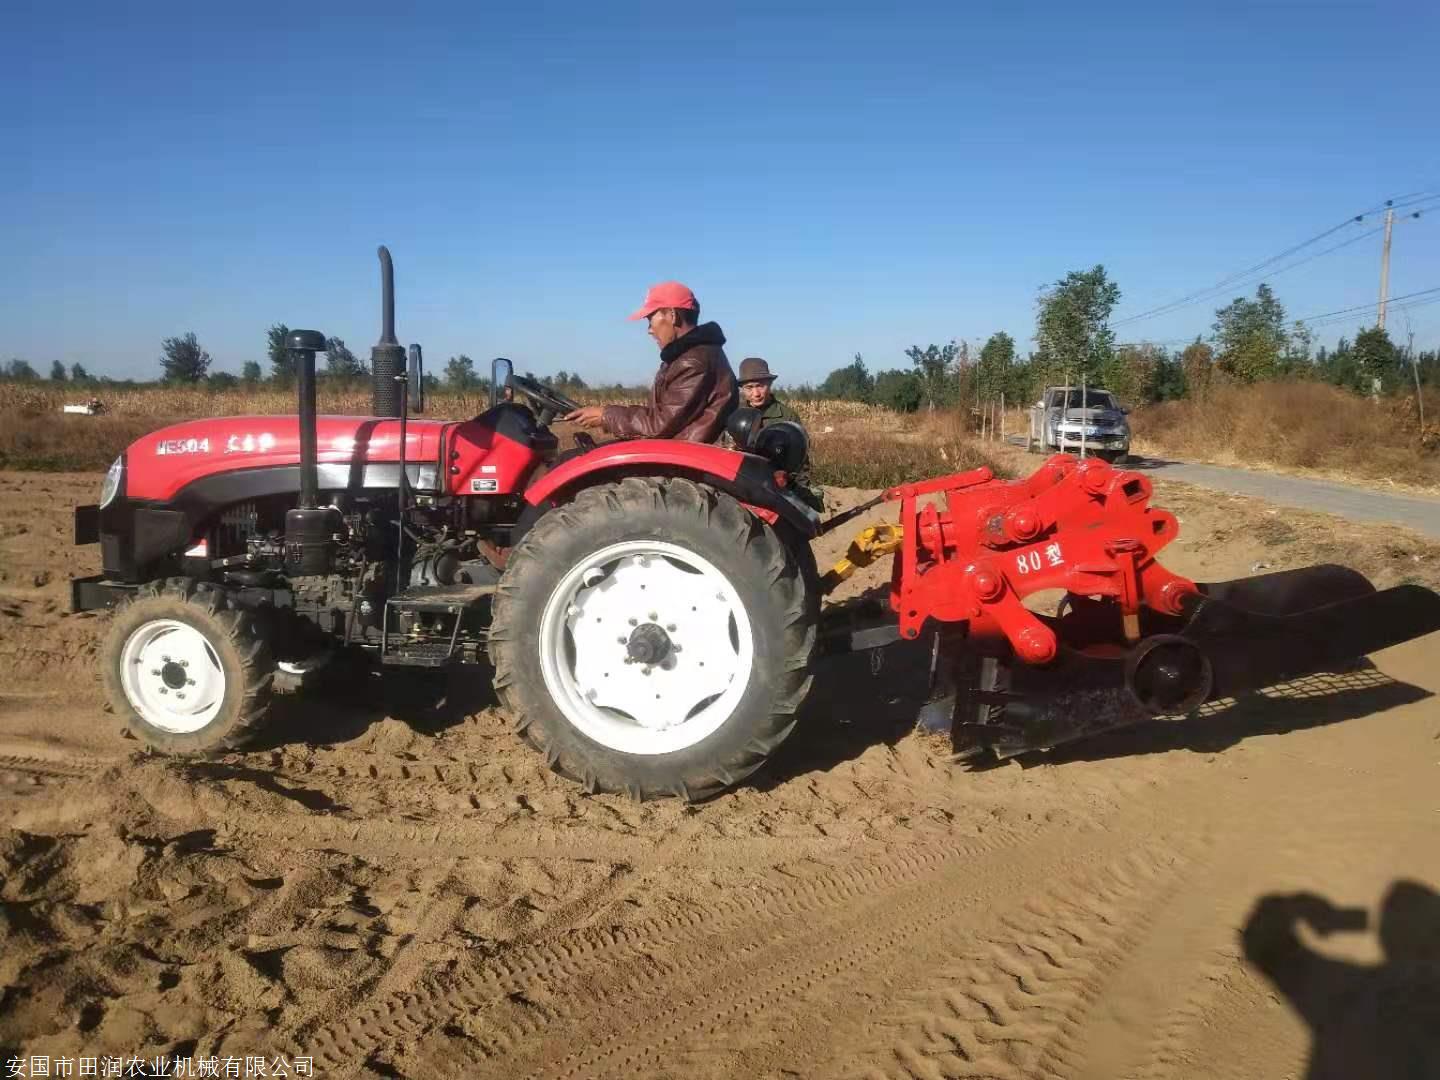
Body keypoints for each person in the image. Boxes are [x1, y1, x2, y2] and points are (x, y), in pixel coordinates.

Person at [565, 281, 737, 442]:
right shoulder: (690, 356)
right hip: (671, 451)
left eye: (650, 320)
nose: (649, 330)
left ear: (672, 315)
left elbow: (659, 424)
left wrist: (605, 415)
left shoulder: (693, 362)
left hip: (675, 461)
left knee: (568, 462)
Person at [728, 356, 823, 512]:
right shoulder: (736, 416)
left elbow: (801, 461)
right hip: (745, 485)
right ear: (742, 389)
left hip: (781, 487)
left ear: (769, 384)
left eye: (760, 386)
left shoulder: (787, 416)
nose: (756, 393)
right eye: (749, 388)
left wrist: (794, 487)